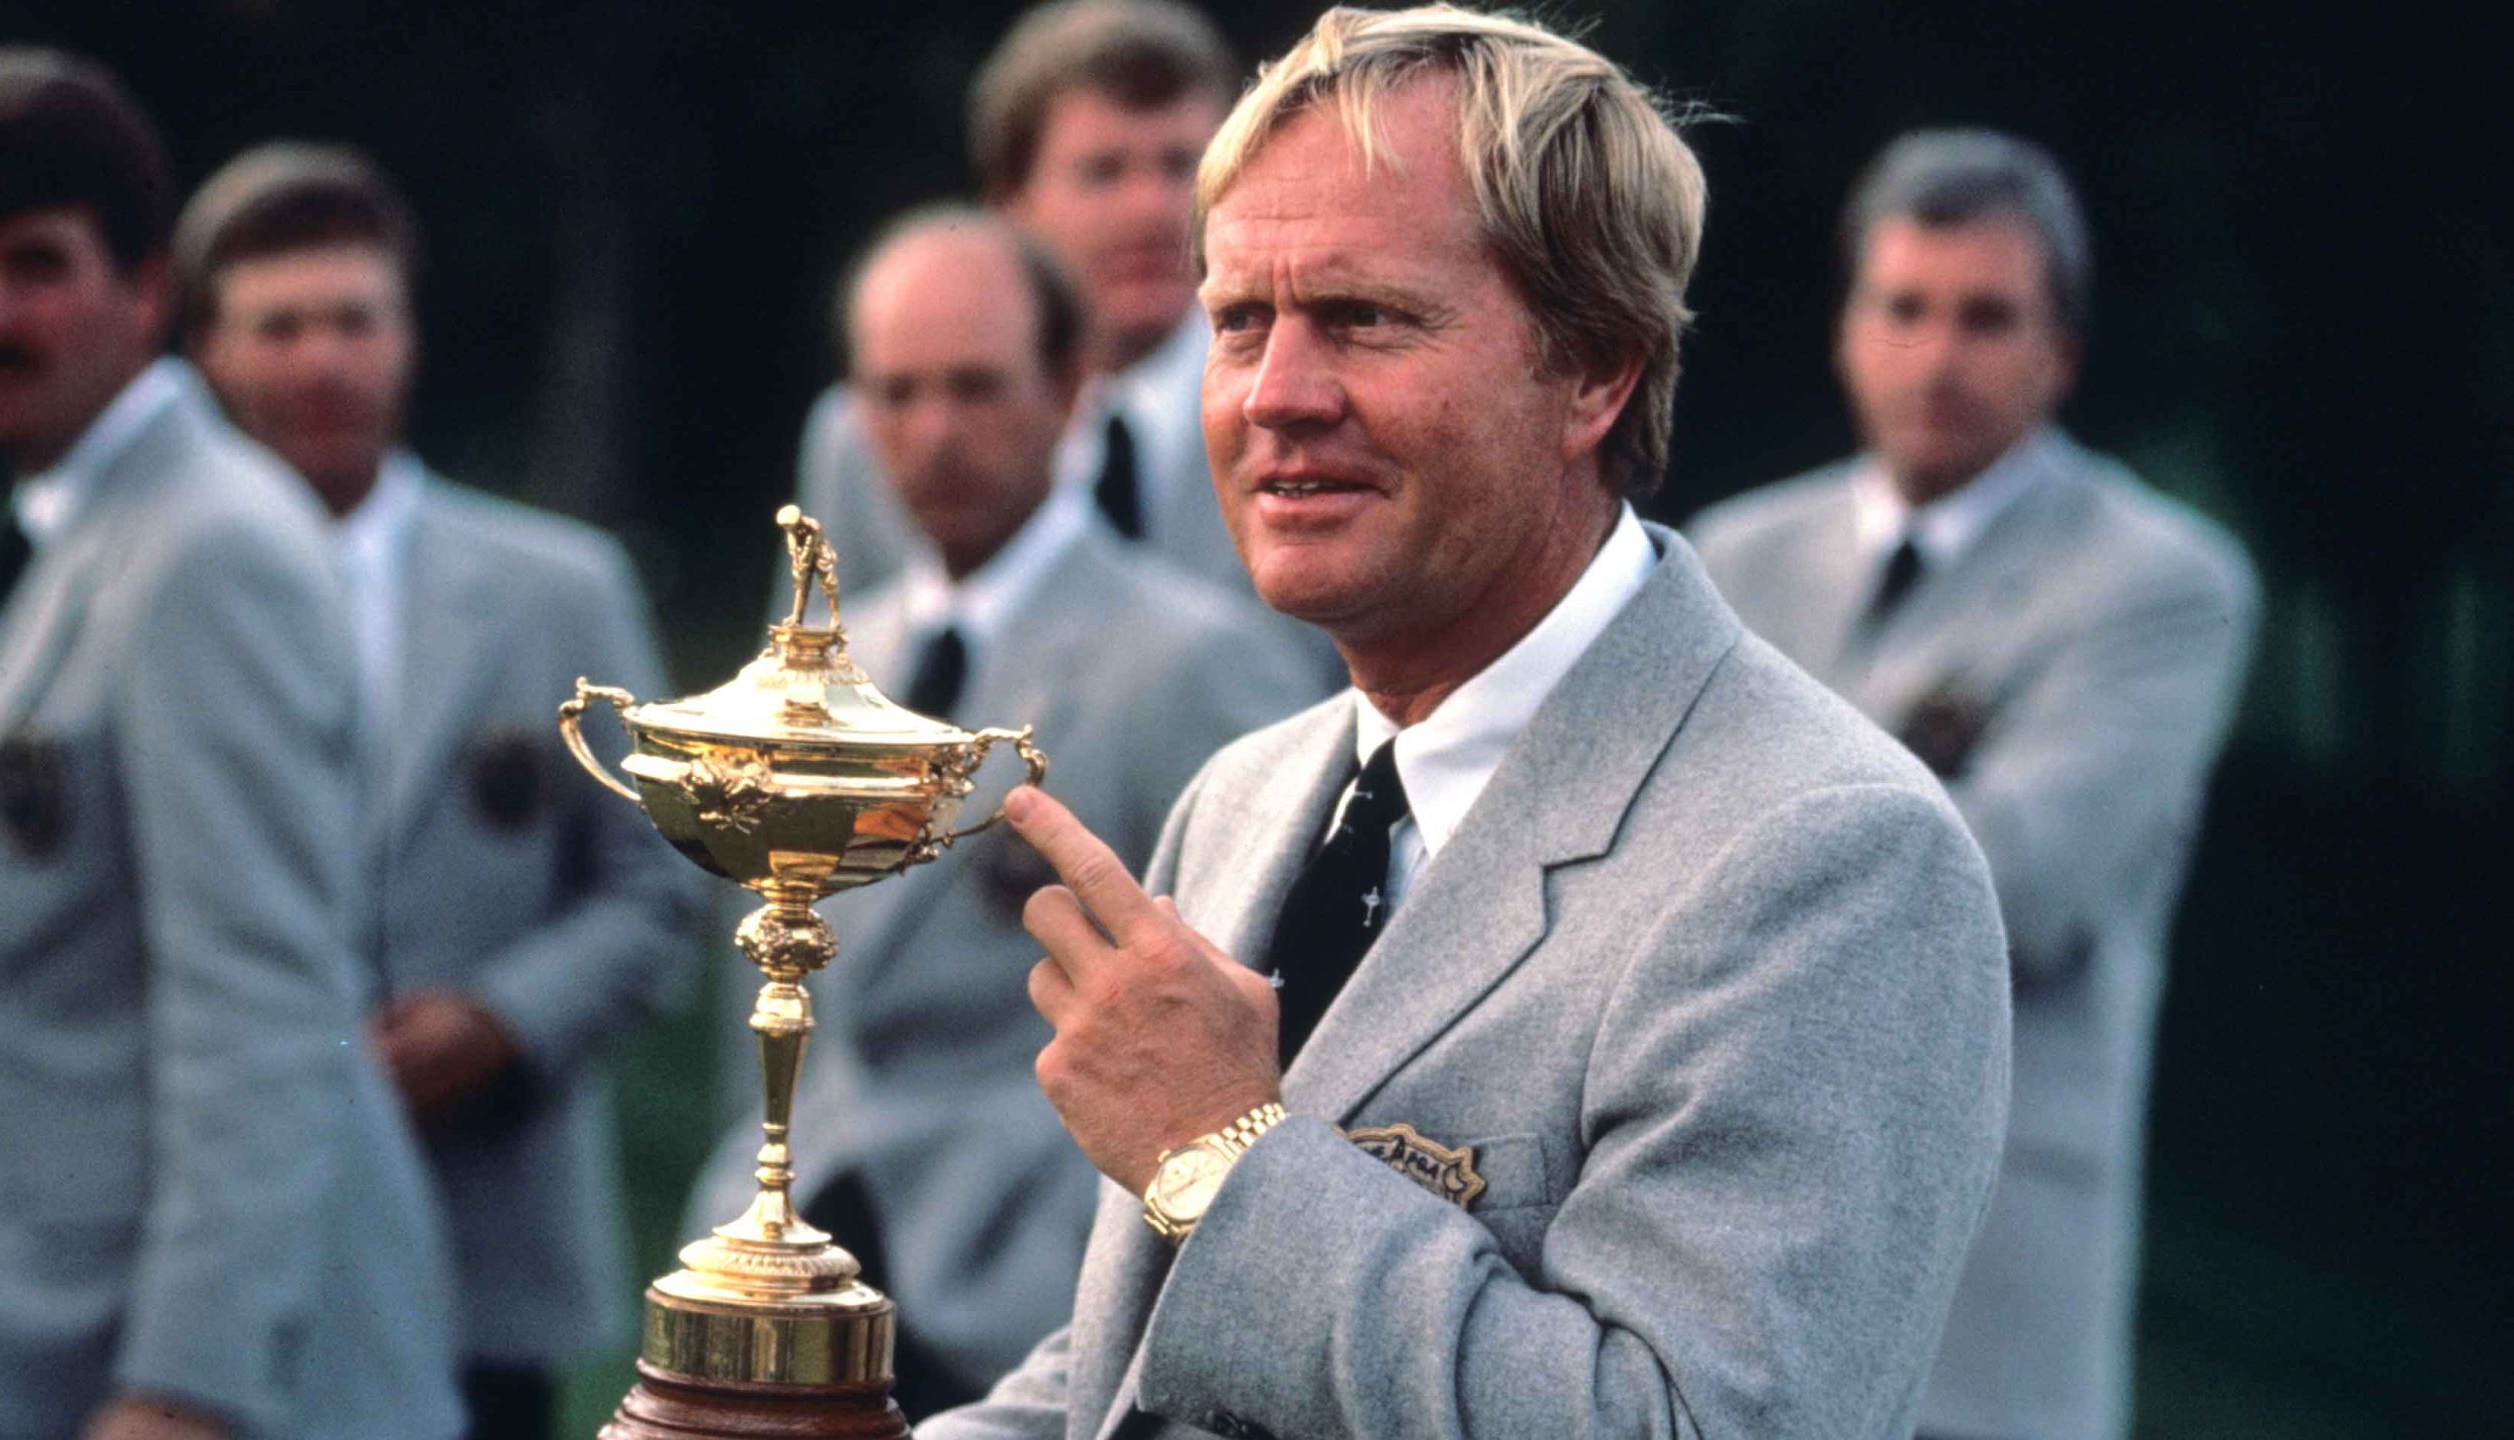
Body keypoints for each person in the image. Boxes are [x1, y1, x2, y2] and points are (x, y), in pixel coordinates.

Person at [928, 8, 2013, 1438]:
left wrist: (1221, 1156)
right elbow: (1123, 1383)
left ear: (1595, 370)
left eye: (1365, 319)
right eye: (1238, 322)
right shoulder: (1246, 796)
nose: (1277, 398)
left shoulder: (1833, 861)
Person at [684, 206, 1323, 1421]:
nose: (933, 435)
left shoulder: (1194, 662)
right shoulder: (821, 667)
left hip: (1027, 1294)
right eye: (896, 394)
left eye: (976, 388)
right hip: (803, 1255)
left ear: (1071, 385)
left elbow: (1252, 1012)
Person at [1690, 130, 2260, 1440]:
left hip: (1985, 1280)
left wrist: (1714, 864)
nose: (1938, 357)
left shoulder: (2161, 582)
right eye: (1904, 308)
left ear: (2060, 349)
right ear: (1848, 327)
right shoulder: (1732, 556)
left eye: (1988, 318)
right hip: (1717, 1260)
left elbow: (2013, 883)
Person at [0, 49, 460, 1440]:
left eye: (34, 265)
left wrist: (186, 1387)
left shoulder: (203, 550)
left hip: (188, 1375)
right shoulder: (78, 532)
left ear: (147, 289)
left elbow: (263, 1016)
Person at [173, 143, 705, 1440]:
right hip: (215, 1247)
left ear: (407, 332)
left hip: (482, 1233)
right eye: (279, 326)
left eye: (354, 318)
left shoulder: (554, 590)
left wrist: (502, 1023)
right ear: (206, 354)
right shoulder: (155, 600)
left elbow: (661, 877)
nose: (321, 361)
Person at [792, 0, 1340, 683]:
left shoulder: (1304, 410)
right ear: (1009, 203)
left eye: (1180, 166)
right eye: (1103, 172)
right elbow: (805, 694)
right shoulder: (864, 437)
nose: (1150, 211)